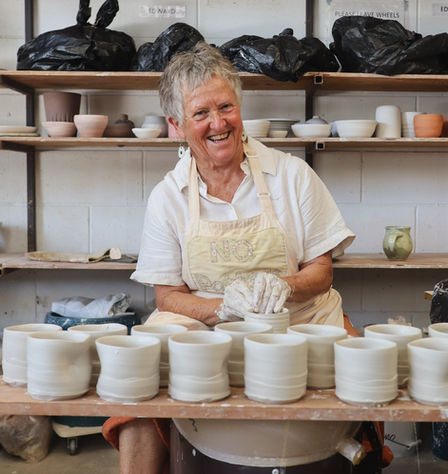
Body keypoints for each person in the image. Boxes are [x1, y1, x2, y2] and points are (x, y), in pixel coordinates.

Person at [103, 41, 391, 473]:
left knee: (365, 377)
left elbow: (321, 271)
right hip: (205, 325)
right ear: (176, 126)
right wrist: (222, 308)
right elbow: (167, 297)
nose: (218, 123)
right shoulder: (168, 197)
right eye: (201, 113)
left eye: (226, 107)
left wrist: (284, 287)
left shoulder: (292, 176)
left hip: (299, 319)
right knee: (134, 394)